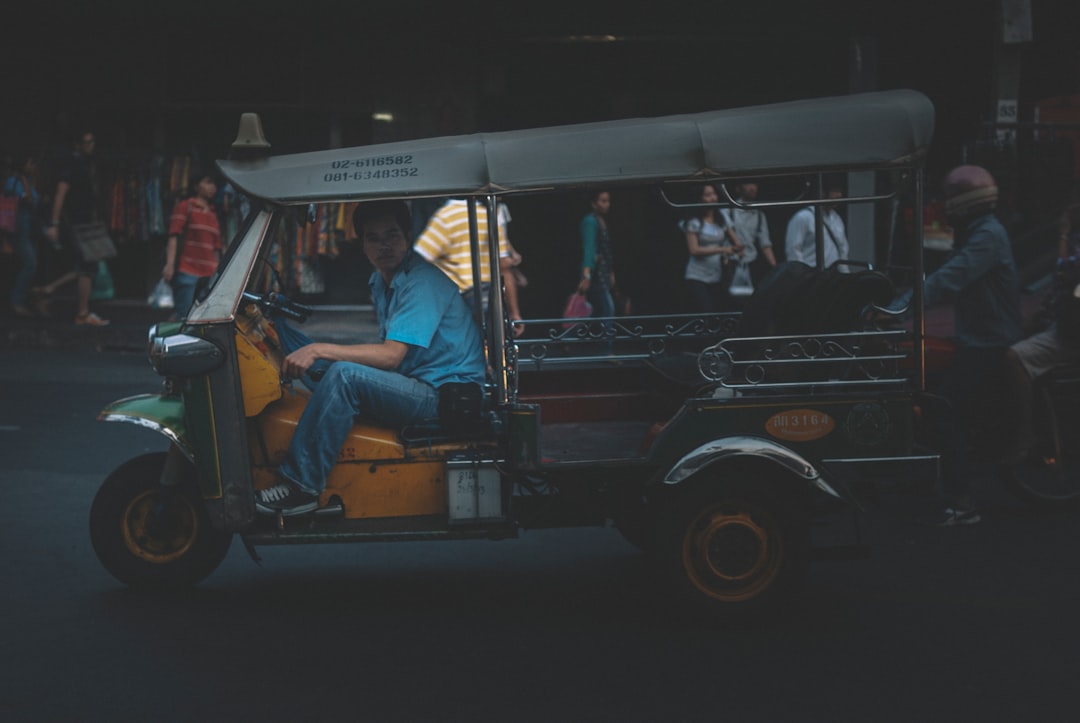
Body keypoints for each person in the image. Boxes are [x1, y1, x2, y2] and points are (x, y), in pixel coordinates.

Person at [256, 200, 487, 515]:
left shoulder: (422, 282)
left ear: (408, 236)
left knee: (342, 374)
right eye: (373, 238)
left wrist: (318, 349)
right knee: (311, 356)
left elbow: (391, 356)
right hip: (414, 382)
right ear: (362, 244)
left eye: (392, 235)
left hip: (443, 395)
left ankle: (301, 487)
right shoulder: (380, 281)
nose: (384, 246)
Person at [914, 165, 1023, 525]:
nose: (944, 205)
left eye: (948, 198)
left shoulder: (987, 236)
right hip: (974, 335)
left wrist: (903, 305)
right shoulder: (975, 232)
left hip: (989, 340)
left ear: (964, 201)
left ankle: (963, 503)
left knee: (945, 406)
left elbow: (952, 276)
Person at [414, 197, 524, 335]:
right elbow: (503, 267)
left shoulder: (445, 217)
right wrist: (514, 312)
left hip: (457, 301)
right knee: (492, 349)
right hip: (489, 298)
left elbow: (421, 259)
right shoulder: (488, 217)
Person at [38, 130, 109, 326]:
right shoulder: (73, 163)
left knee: (85, 266)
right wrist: (54, 224)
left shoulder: (84, 164)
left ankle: (48, 290)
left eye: (93, 141)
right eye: (87, 142)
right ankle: (82, 313)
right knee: (86, 266)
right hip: (76, 224)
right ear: (78, 145)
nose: (91, 146)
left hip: (84, 223)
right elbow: (61, 193)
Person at [162, 168, 223, 319]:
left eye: (214, 184)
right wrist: (169, 265)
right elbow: (173, 236)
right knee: (184, 316)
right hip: (187, 271)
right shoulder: (186, 206)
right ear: (196, 186)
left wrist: (219, 275)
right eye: (208, 183)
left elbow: (216, 248)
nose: (212, 187)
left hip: (209, 275)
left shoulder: (213, 213)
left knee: (202, 319)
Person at [682, 183, 744, 312]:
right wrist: (722, 249)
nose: (713, 198)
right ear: (700, 198)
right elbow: (694, 250)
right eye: (707, 195)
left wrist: (738, 249)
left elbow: (736, 241)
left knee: (719, 309)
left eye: (714, 194)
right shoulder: (694, 221)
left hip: (717, 275)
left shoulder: (721, 217)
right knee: (706, 310)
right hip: (697, 276)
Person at [3, 152, 41, 317]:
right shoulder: (15, 181)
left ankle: (26, 298)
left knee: (30, 263)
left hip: (27, 230)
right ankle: (17, 301)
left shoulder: (28, 182)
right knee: (30, 263)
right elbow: (27, 201)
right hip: (17, 231)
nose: (33, 167)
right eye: (31, 163)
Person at [784, 177, 850, 271]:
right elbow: (793, 251)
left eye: (839, 191)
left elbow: (843, 250)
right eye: (835, 191)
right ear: (823, 192)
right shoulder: (804, 217)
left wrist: (845, 275)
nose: (839, 195)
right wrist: (801, 276)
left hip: (832, 276)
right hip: (811, 276)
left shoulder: (836, 219)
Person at [578, 190, 619, 320]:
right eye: (603, 201)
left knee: (601, 311)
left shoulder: (601, 220)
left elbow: (607, 250)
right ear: (594, 203)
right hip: (595, 275)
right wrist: (586, 275)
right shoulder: (590, 221)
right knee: (607, 310)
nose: (607, 204)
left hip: (603, 273)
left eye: (608, 201)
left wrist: (611, 272)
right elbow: (589, 249)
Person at [727, 180, 777, 283]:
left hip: (752, 263)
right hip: (730, 263)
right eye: (748, 184)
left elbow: (765, 244)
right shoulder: (728, 211)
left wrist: (775, 268)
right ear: (738, 188)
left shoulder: (759, 214)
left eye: (755, 184)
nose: (752, 188)